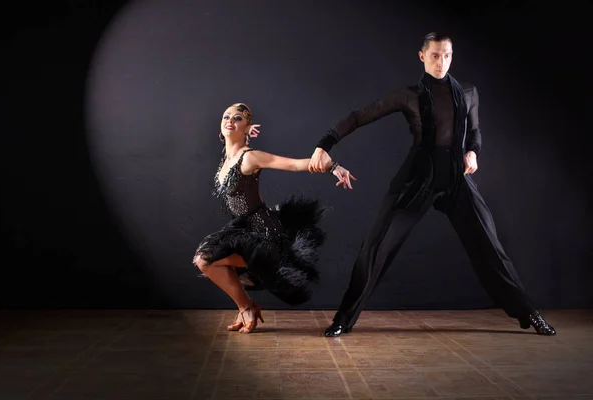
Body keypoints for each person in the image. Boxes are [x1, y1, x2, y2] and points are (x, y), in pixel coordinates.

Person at [308, 32, 556, 336]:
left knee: (491, 247)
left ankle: (528, 312)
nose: (442, 62)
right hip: (417, 180)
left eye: (447, 55)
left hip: (456, 179)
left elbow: (474, 132)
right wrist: (324, 144)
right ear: (422, 56)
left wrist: (473, 152)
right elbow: (361, 116)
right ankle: (343, 320)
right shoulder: (409, 95)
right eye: (435, 55)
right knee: (375, 248)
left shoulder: (468, 91)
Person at [193, 103, 355, 333]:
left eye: (237, 118)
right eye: (226, 117)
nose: (230, 120)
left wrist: (332, 166)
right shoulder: (227, 158)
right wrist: (242, 128)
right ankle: (246, 307)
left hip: (263, 235)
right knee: (209, 262)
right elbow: (233, 137)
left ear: (247, 126)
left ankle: (247, 307)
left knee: (205, 260)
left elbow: (292, 164)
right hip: (242, 230)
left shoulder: (250, 158)